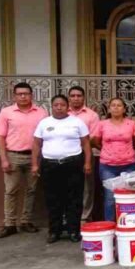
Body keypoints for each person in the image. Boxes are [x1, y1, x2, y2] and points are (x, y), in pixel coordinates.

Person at [31, 95, 91, 243]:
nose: (59, 107)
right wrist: (34, 164)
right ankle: (54, 231)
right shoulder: (44, 123)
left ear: (67, 106)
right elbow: (37, 145)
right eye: (56, 105)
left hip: (73, 163)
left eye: (62, 105)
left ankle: (73, 231)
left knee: (74, 198)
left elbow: (86, 144)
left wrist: (87, 162)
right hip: (50, 165)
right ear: (52, 106)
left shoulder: (77, 122)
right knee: (53, 199)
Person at [0, 82, 48, 238]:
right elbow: (0, 136)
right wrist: (3, 158)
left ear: (32, 95)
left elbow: (46, 135)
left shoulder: (41, 113)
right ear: (14, 96)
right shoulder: (6, 112)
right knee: (11, 191)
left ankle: (26, 221)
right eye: (19, 94)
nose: (23, 96)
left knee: (31, 190)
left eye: (26, 93)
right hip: (13, 155)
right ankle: (10, 224)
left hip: (34, 156)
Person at [92, 97, 135, 221]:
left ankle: (128, 223)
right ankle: (110, 225)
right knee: (109, 197)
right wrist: (109, 151)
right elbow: (95, 141)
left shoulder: (131, 123)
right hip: (107, 166)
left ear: (124, 109)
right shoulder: (102, 124)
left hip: (128, 164)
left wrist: (124, 150)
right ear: (109, 108)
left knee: (128, 195)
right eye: (113, 105)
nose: (116, 108)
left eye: (119, 105)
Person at [67, 86, 100, 222]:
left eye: (79, 96)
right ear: (69, 97)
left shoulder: (91, 115)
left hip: (85, 154)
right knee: (68, 186)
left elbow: (93, 136)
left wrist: (76, 143)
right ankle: (69, 217)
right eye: (73, 96)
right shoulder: (62, 114)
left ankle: (85, 217)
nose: (76, 98)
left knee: (87, 187)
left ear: (84, 97)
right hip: (66, 155)